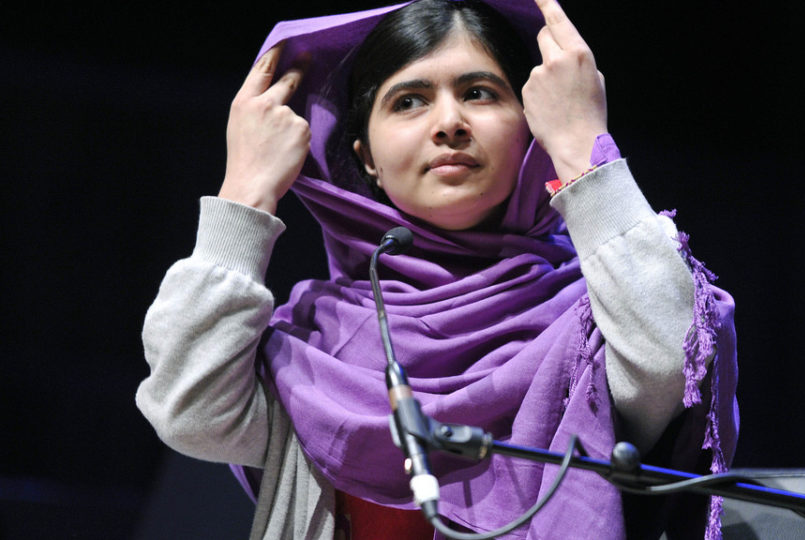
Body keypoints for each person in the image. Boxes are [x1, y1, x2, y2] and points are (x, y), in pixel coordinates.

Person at [137, 0, 739, 538]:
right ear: (365, 158)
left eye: (480, 93)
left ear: (532, 128)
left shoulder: (599, 320)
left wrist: (583, 146)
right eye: (410, 101)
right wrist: (244, 193)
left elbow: (671, 357)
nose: (449, 123)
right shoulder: (312, 349)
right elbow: (190, 411)